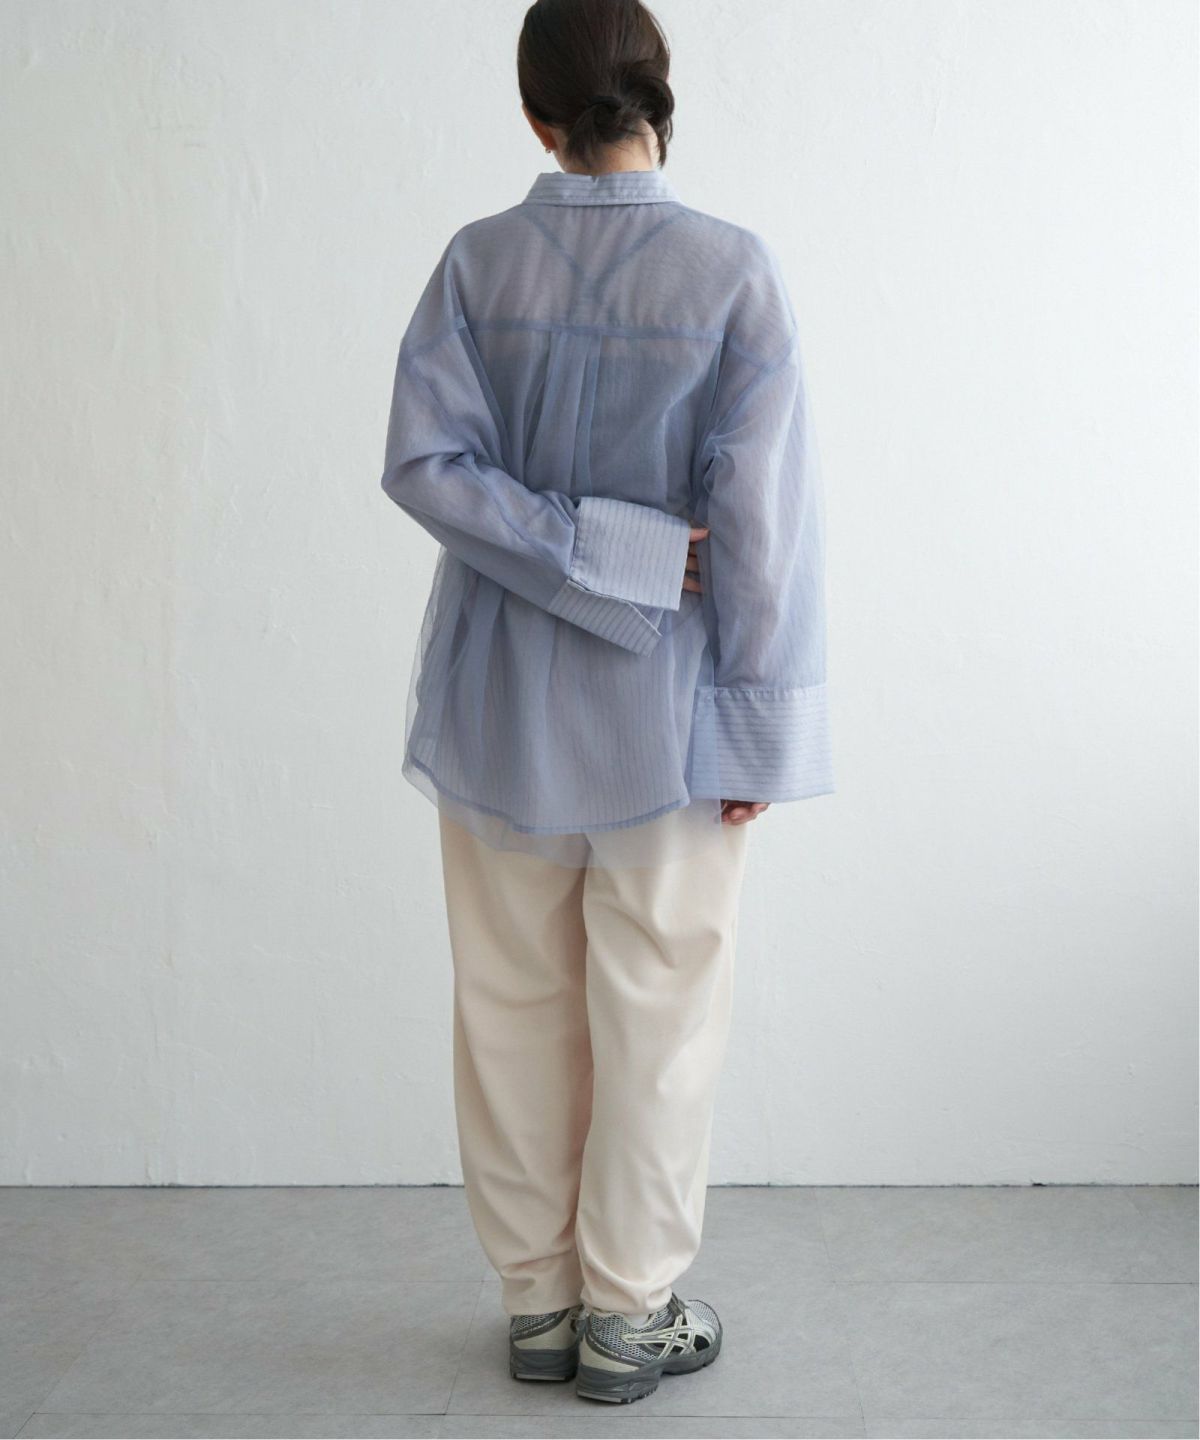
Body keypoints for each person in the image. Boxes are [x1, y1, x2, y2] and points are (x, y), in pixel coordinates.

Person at [379, 0, 832, 1407]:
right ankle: (629, 1315)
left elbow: (426, 465)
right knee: (659, 1012)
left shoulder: (477, 263)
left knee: (511, 1001)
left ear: (535, 114)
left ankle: (540, 1306)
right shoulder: (732, 272)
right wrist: (754, 719)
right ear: (659, 95)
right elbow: (763, 528)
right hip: (671, 716)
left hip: (497, 705)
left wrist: (573, 545)